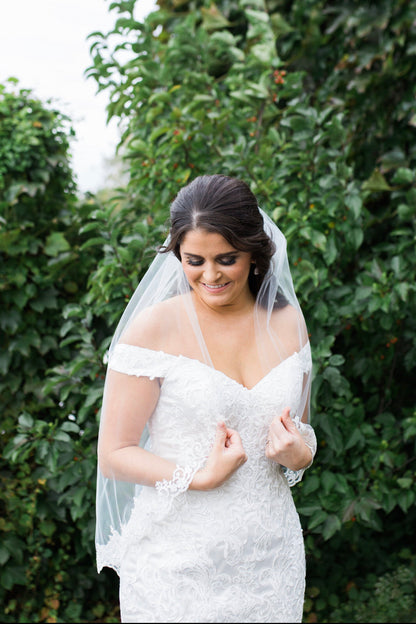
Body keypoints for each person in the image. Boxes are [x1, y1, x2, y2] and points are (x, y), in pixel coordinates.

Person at [95, 174, 317, 623]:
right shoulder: (153, 329)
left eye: (226, 259)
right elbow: (114, 454)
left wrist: (301, 454)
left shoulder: (289, 323)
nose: (210, 275)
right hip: (177, 565)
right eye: (194, 260)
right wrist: (199, 476)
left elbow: (303, 432)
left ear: (255, 253)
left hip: (270, 562)